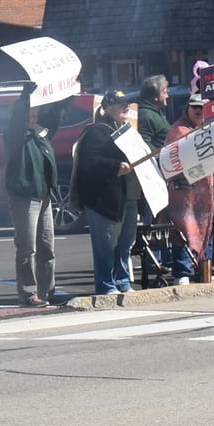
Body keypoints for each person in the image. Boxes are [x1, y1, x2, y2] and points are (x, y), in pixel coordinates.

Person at [74, 91, 143, 306]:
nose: (126, 108)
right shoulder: (97, 131)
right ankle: (106, 284)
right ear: (108, 108)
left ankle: (122, 281)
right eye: (120, 105)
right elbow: (89, 163)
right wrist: (115, 166)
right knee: (106, 244)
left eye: (126, 104)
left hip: (128, 195)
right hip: (104, 199)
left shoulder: (128, 131)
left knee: (125, 243)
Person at [163, 96, 214, 286]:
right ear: (187, 108)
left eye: (203, 107)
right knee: (185, 232)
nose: (199, 111)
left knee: (209, 229)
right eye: (195, 107)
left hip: (208, 193)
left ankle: (207, 270)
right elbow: (178, 162)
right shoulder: (178, 130)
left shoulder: (211, 128)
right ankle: (182, 272)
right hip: (184, 194)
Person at [2, 88, 59, 308]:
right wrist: (28, 93)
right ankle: (28, 293)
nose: (34, 117)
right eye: (30, 113)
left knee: (47, 247)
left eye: (36, 113)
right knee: (27, 248)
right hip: (25, 196)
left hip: (44, 195)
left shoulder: (41, 133)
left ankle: (47, 291)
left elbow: (56, 114)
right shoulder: (14, 135)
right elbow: (19, 118)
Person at [137, 75, 171, 155]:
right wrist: (160, 157)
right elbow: (145, 144)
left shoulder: (155, 112)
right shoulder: (146, 115)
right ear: (155, 96)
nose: (167, 96)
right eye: (164, 93)